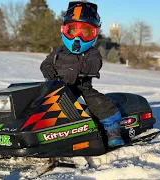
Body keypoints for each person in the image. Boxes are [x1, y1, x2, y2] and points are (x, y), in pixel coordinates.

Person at [40, 1, 124, 148]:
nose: (77, 37)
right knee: (38, 102)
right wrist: (46, 68)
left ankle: (112, 130)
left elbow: (94, 64)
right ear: (65, 30)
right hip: (55, 87)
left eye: (85, 32)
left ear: (94, 33)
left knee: (98, 103)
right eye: (73, 30)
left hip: (81, 88)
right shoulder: (58, 51)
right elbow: (47, 62)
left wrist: (78, 69)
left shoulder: (92, 53)